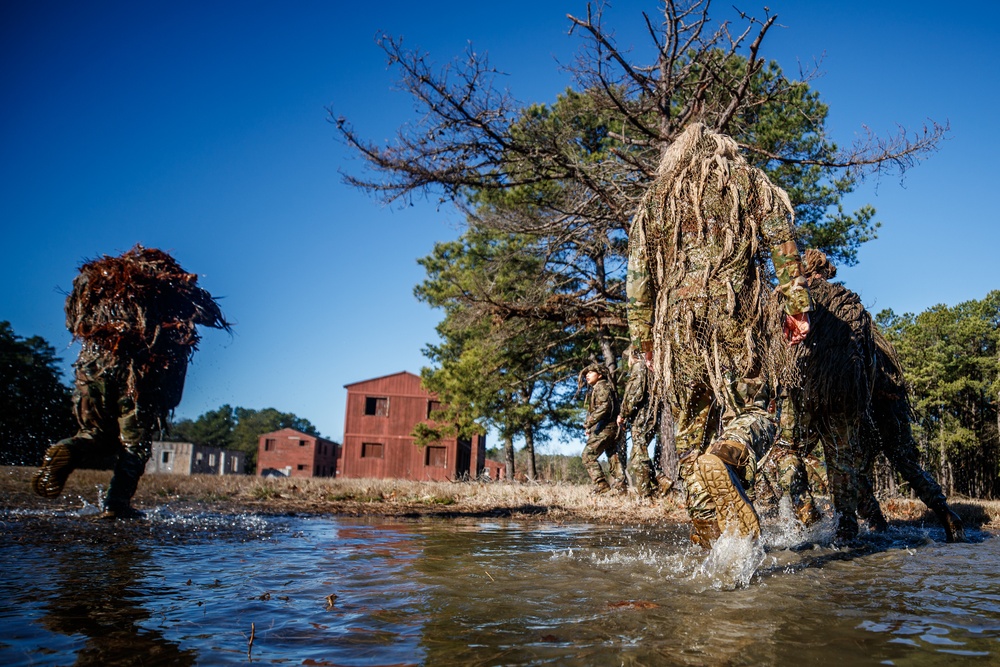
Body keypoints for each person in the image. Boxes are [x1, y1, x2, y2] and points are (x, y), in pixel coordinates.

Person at [625, 123, 812, 547]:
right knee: (759, 410)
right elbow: (782, 239)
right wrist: (796, 307)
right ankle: (729, 454)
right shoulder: (746, 181)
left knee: (690, 434)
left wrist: (644, 340)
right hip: (737, 316)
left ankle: (707, 535)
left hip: (676, 328)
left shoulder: (656, 199)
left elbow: (638, 276)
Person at [32, 245, 230, 519]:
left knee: (95, 433)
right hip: (140, 372)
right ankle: (116, 504)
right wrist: (185, 294)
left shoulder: (91, 281)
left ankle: (67, 448)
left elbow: (72, 324)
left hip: (92, 364)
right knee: (134, 444)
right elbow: (209, 316)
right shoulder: (166, 284)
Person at [803, 250, 967, 542]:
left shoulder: (825, 309)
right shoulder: (849, 310)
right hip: (870, 400)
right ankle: (919, 518)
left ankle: (919, 517)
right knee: (886, 462)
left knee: (865, 462)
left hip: (873, 399)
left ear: (808, 272)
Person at [617, 348, 658, 497]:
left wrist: (623, 414)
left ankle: (645, 495)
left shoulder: (639, 367)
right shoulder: (648, 369)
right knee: (637, 454)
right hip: (648, 416)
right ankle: (663, 485)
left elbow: (635, 394)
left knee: (638, 457)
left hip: (642, 418)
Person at [580, 363, 626, 495]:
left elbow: (605, 406)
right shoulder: (603, 387)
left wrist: (589, 422)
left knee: (588, 456)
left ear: (599, 375)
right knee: (612, 455)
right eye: (586, 374)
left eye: (591, 372)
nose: (587, 375)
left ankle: (601, 484)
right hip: (611, 427)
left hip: (606, 427)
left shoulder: (601, 386)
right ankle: (620, 486)